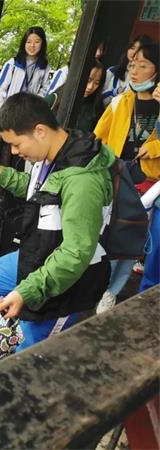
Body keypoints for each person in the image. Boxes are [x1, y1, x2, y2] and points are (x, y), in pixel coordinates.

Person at [0, 92, 114, 351]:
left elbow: (76, 253)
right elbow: (41, 193)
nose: (14, 151)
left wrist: (27, 291)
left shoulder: (82, 182)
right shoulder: (51, 156)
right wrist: (2, 174)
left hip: (69, 278)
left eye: (17, 144)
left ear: (40, 131)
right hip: (37, 253)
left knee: (29, 350)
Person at [94, 44, 159, 312]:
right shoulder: (120, 101)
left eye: (143, 65)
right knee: (109, 237)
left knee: (133, 244)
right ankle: (99, 288)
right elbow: (97, 138)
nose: (134, 71)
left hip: (150, 185)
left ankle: (112, 291)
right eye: (133, 64)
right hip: (118, 178)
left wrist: (154, 147)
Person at [0, 26, 51, 113]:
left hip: (28, 113)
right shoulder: (13, 64)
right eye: (28, 42)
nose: (32, 45)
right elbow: (0, 89)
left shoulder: (44, 66)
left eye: (37, 42)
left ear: (42, 44)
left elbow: (46, 89)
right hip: (7, 112)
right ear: (24, 44)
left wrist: (34, 105)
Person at [44, 59, 106, 132]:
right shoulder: (55, 98)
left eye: (97, 83)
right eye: (88, 80)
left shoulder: (97, 107)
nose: (90, 87)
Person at [102, 34, 152, 106]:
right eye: (132, 48)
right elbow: (100, 95)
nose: (134, 52)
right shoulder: (113, 71)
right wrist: (115, 92)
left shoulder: (146, 79)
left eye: (139, 49)